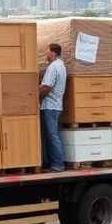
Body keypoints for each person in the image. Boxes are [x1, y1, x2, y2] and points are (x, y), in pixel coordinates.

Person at [39, 43, 67, 172]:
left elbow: (47, 87)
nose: (46, 54)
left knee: (52, 135)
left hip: (50, 105)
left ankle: (57, 164)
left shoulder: (53, 66)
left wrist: (35, 97)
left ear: (53, 53)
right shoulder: (61, 65)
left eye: (48, 52)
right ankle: (54, 162)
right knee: (53, 134)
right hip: (56, 105)